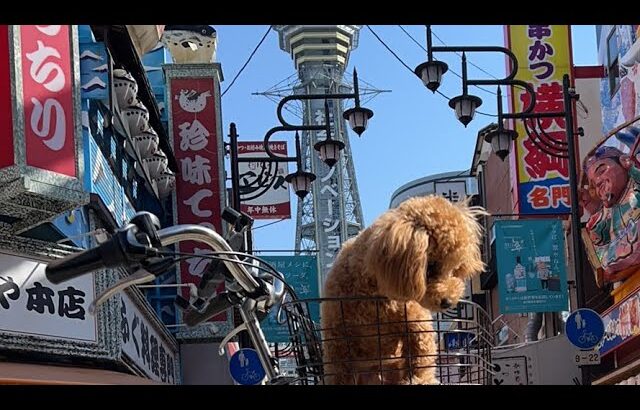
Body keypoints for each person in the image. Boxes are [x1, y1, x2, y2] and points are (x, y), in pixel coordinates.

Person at [581, 146, 640, 284]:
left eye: (602, 171)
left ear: (624, 161)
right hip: (624, 263)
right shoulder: (608, 211)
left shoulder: (635, 185)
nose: (599, 181)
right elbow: (598, 239)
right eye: (594, 183)